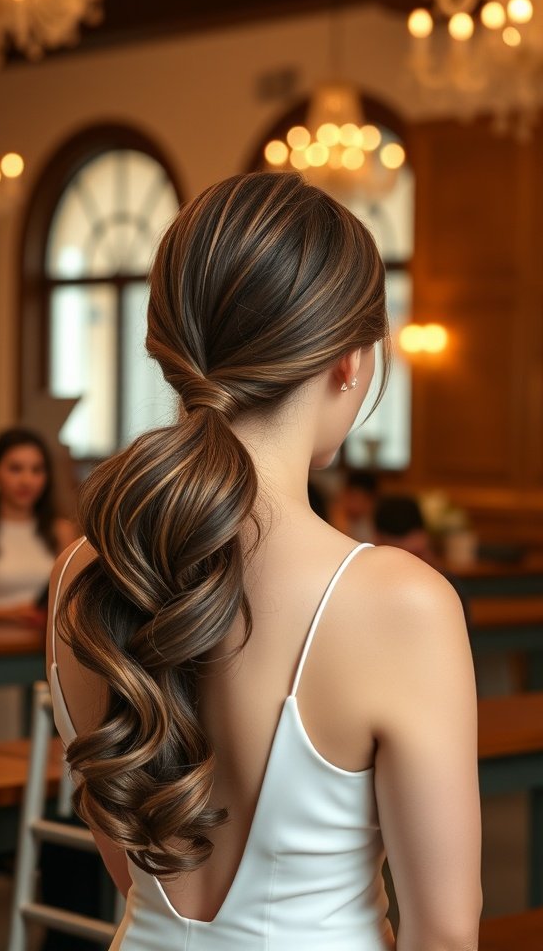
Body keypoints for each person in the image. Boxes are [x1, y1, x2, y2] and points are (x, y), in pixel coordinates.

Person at [48, 172, 481, 951]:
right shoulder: (401, 602)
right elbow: (444, 932)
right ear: (350, 362)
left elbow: (132, 864)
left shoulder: (86, 570)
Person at [0, 427, 76, 742]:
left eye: (36, 470)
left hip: (46, 655)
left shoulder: (60, 531)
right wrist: (9, 613)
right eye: (15, 468)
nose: (27, 480)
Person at [330, 468, 379, 542]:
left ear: (371, 501)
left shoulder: (375, 526)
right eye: (352, 497)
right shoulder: (332, 515)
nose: (355, 504)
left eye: (361, 500)